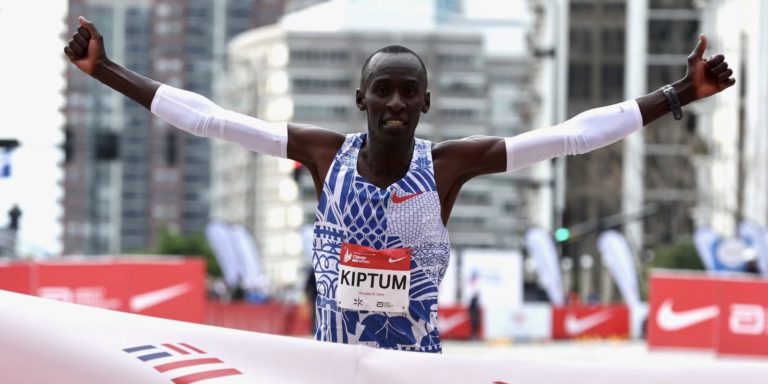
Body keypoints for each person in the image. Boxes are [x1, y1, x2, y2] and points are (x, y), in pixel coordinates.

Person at [65, 16, 735, 353]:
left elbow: (571, 135)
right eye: (382, 89)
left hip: (415, 372)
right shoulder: (323, 156)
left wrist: (679, 93)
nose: (394, 101)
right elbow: (209, 119)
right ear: (361, 97)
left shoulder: (447, 168)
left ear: (425, 103)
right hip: (331, 369)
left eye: (407, 92)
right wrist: (106, 70)